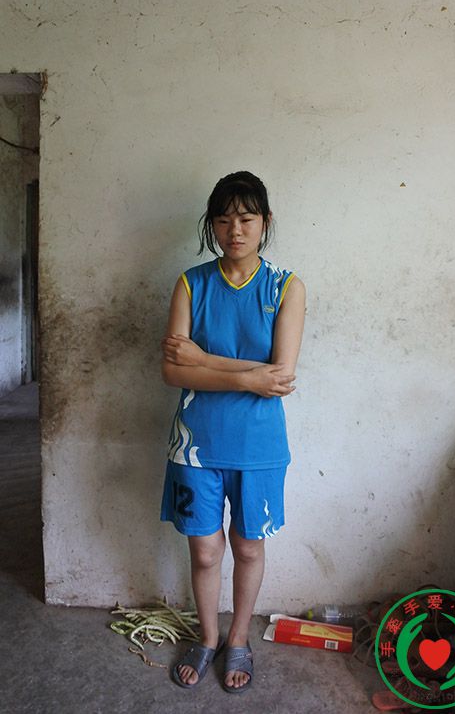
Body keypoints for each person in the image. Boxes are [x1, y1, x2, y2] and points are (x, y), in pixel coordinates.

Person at [160, 170, 306, 693]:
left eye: (246, 218)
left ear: (265, 221)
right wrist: (248, 375)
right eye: (223, 220)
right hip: (194, 444)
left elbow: (280, 378)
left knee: (247, 548)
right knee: (204, 551)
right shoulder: (190, 283)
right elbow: (172, 371)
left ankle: (239, 638)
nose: (234, 230)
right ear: (211, 225)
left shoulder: (286, 287)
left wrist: (203, 360)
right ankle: (208, 636)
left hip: (259, 447)